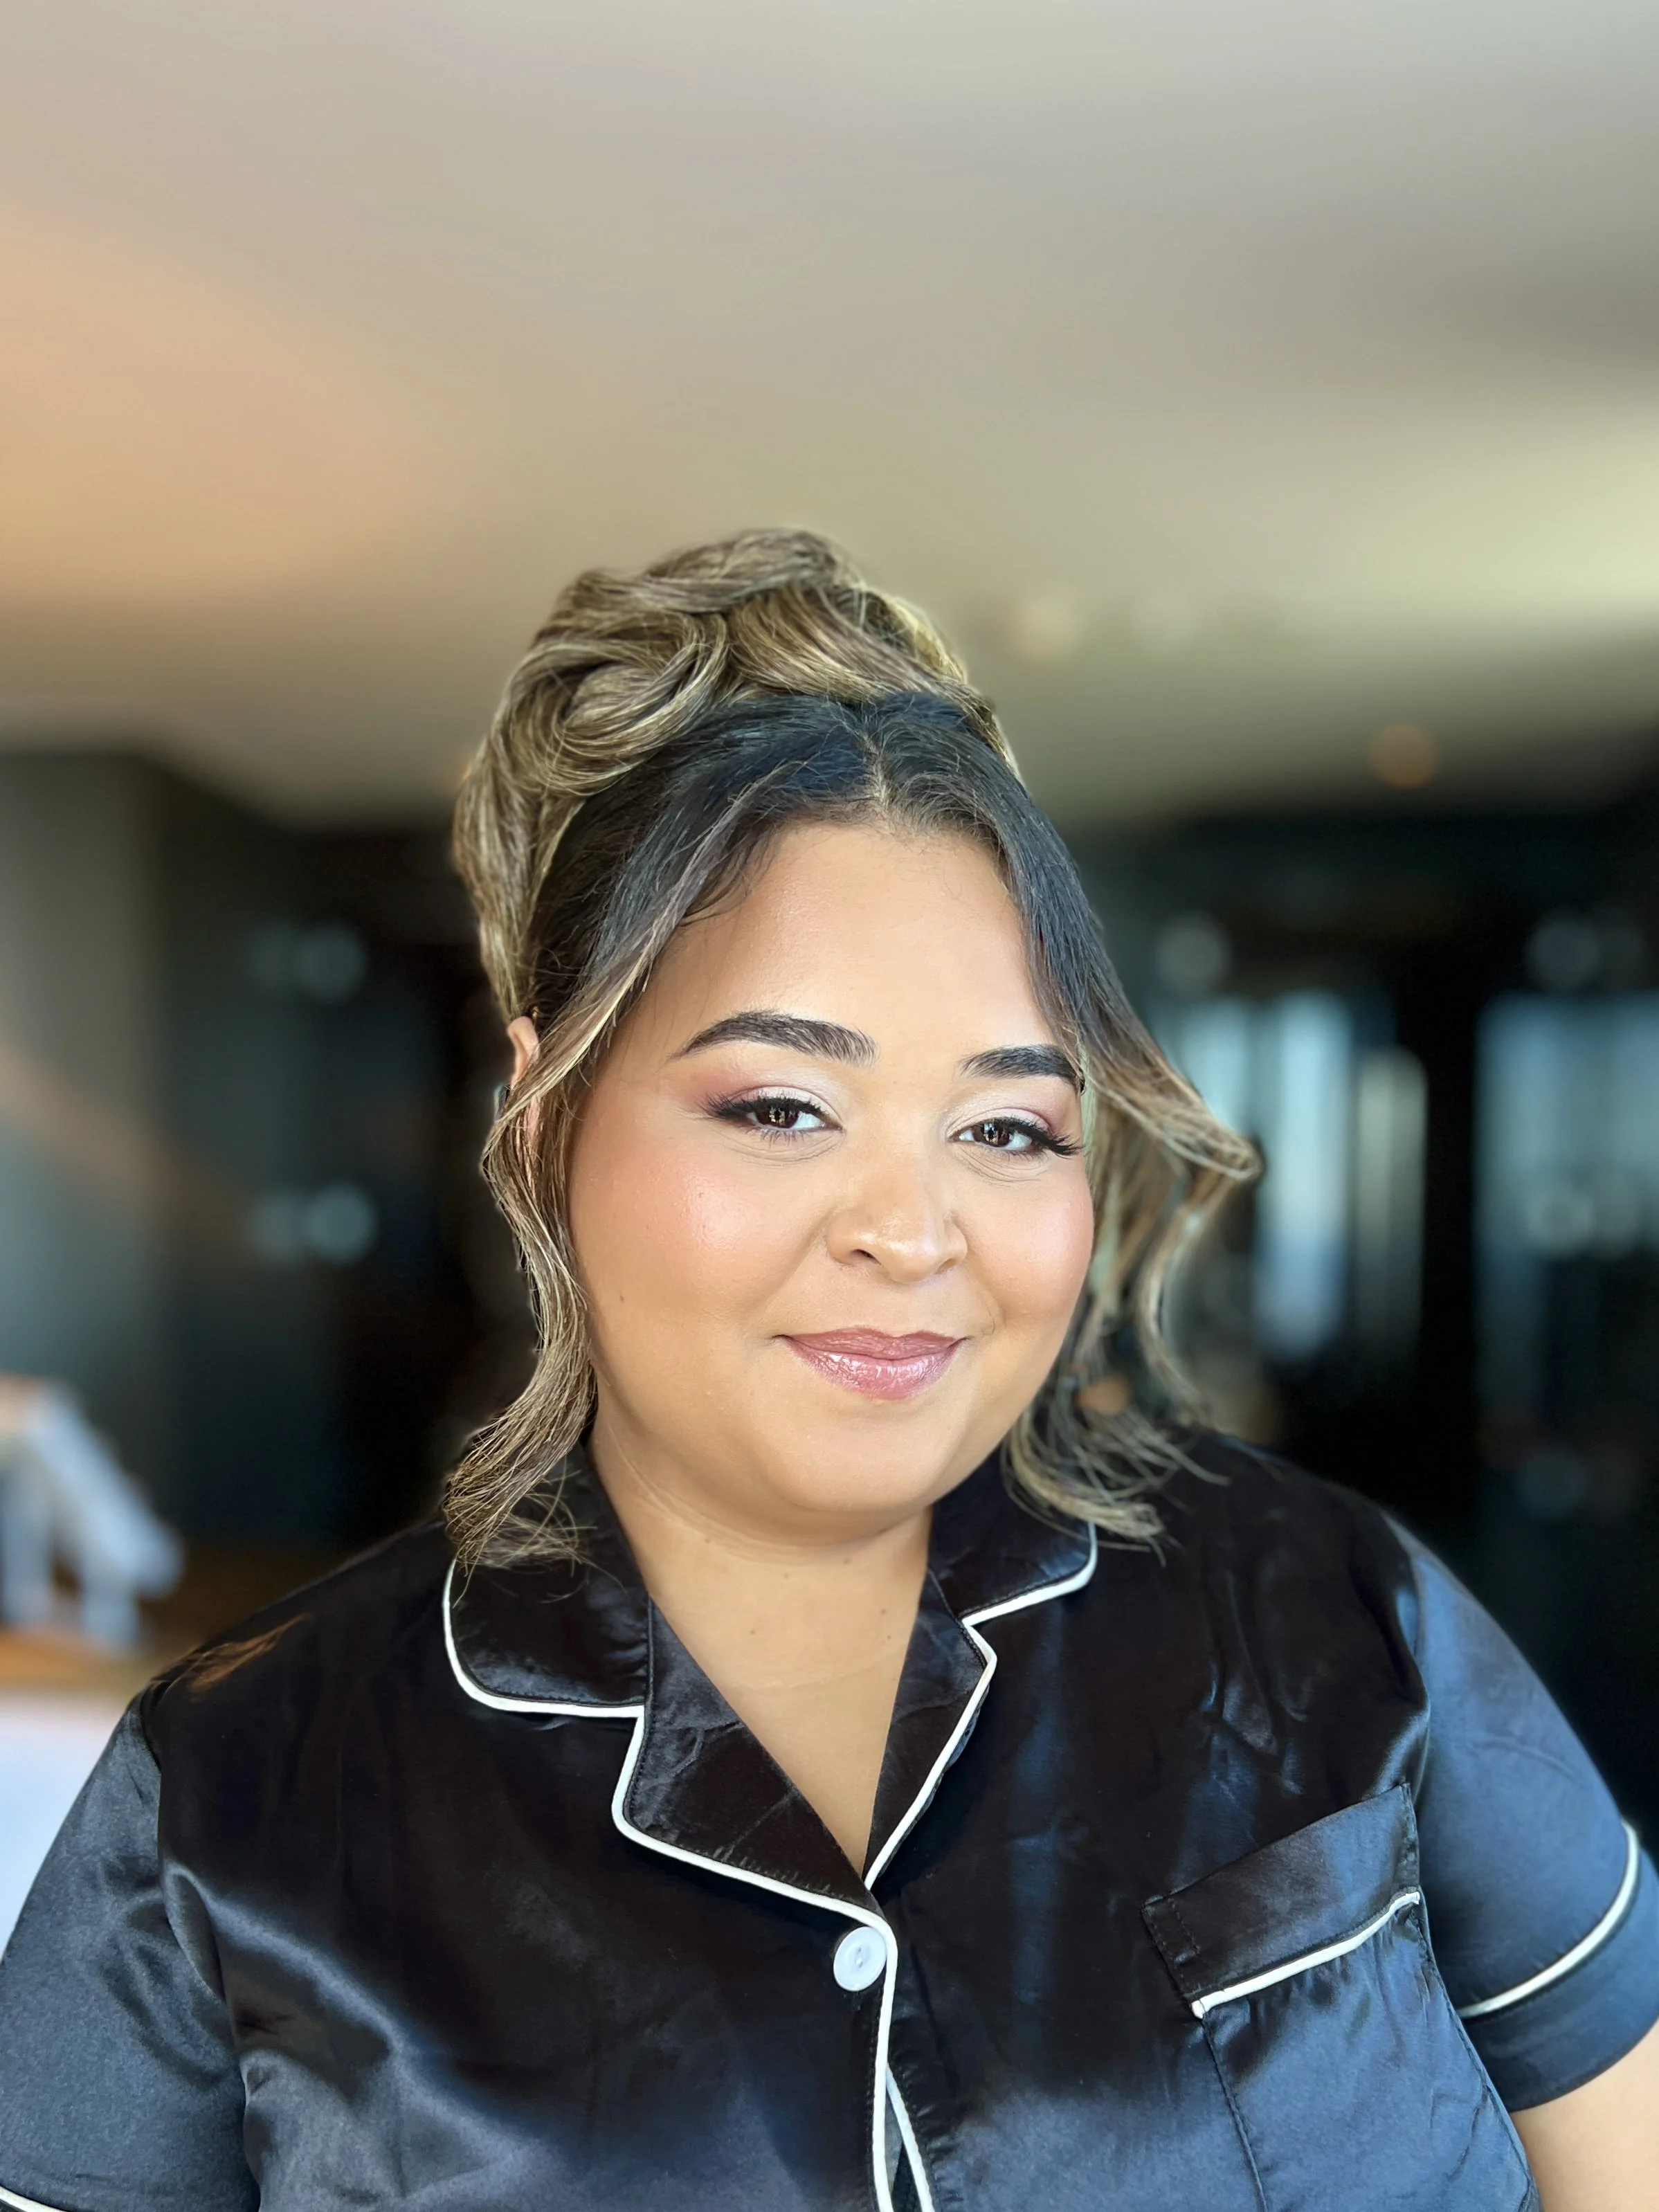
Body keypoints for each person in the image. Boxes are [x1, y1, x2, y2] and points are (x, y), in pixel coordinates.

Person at [0, 531, 1654, 2212]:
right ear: (543, 1110)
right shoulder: (228, 1800)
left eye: (1007, 1124)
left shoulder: (1341, 1608)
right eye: (782, 1105)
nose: (911, 1228)